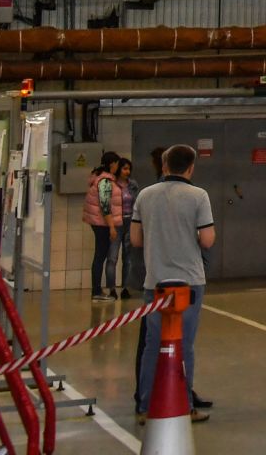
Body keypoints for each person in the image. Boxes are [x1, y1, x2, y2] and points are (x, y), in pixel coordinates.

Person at [131, 144, 216, 422]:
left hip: (155, 280)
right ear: (191, 167)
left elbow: (135, 239)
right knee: (184, 345)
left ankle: (145, 407)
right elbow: (207, 239)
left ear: (164, 166)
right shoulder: (198, 196)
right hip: (189, 281)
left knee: (153, 344)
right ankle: (183, 404)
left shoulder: (145, 195)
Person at [84, 152, 122, 301]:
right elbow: (105, 205)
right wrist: (112, 226)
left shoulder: (101, 178)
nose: (118, 167)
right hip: (102, 224)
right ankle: (97, 291)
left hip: (99, 222)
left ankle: (97, 290)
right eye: (117, 164)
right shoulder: (105, 181)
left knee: (100, 256)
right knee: (100, 256)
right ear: (112, 164)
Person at [114, 158, 140, 298]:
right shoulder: (112, 184)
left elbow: (137, 201)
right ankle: (112, 289)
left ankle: (125, 287)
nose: (127, 171)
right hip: (117, 221)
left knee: (128, 257)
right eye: (124, 168)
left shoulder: (133, 185)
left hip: (130, 220)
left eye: (129, 169)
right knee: (113, 256)